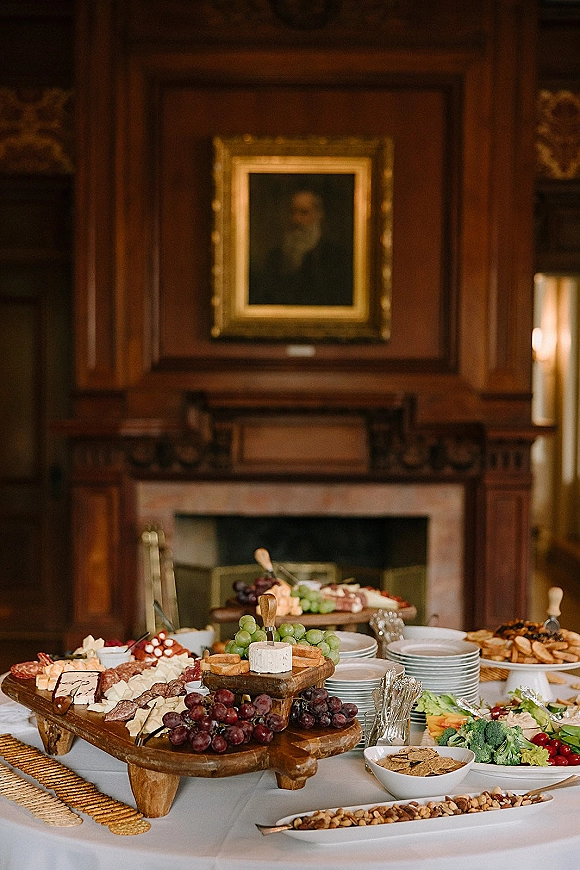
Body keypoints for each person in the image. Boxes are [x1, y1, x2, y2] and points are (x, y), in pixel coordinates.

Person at [249, 188, 354, 307]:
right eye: (292, 212)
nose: (296, 219)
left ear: (319, 214)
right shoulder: (275, 257)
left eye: (304, 213)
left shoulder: (337, 256)